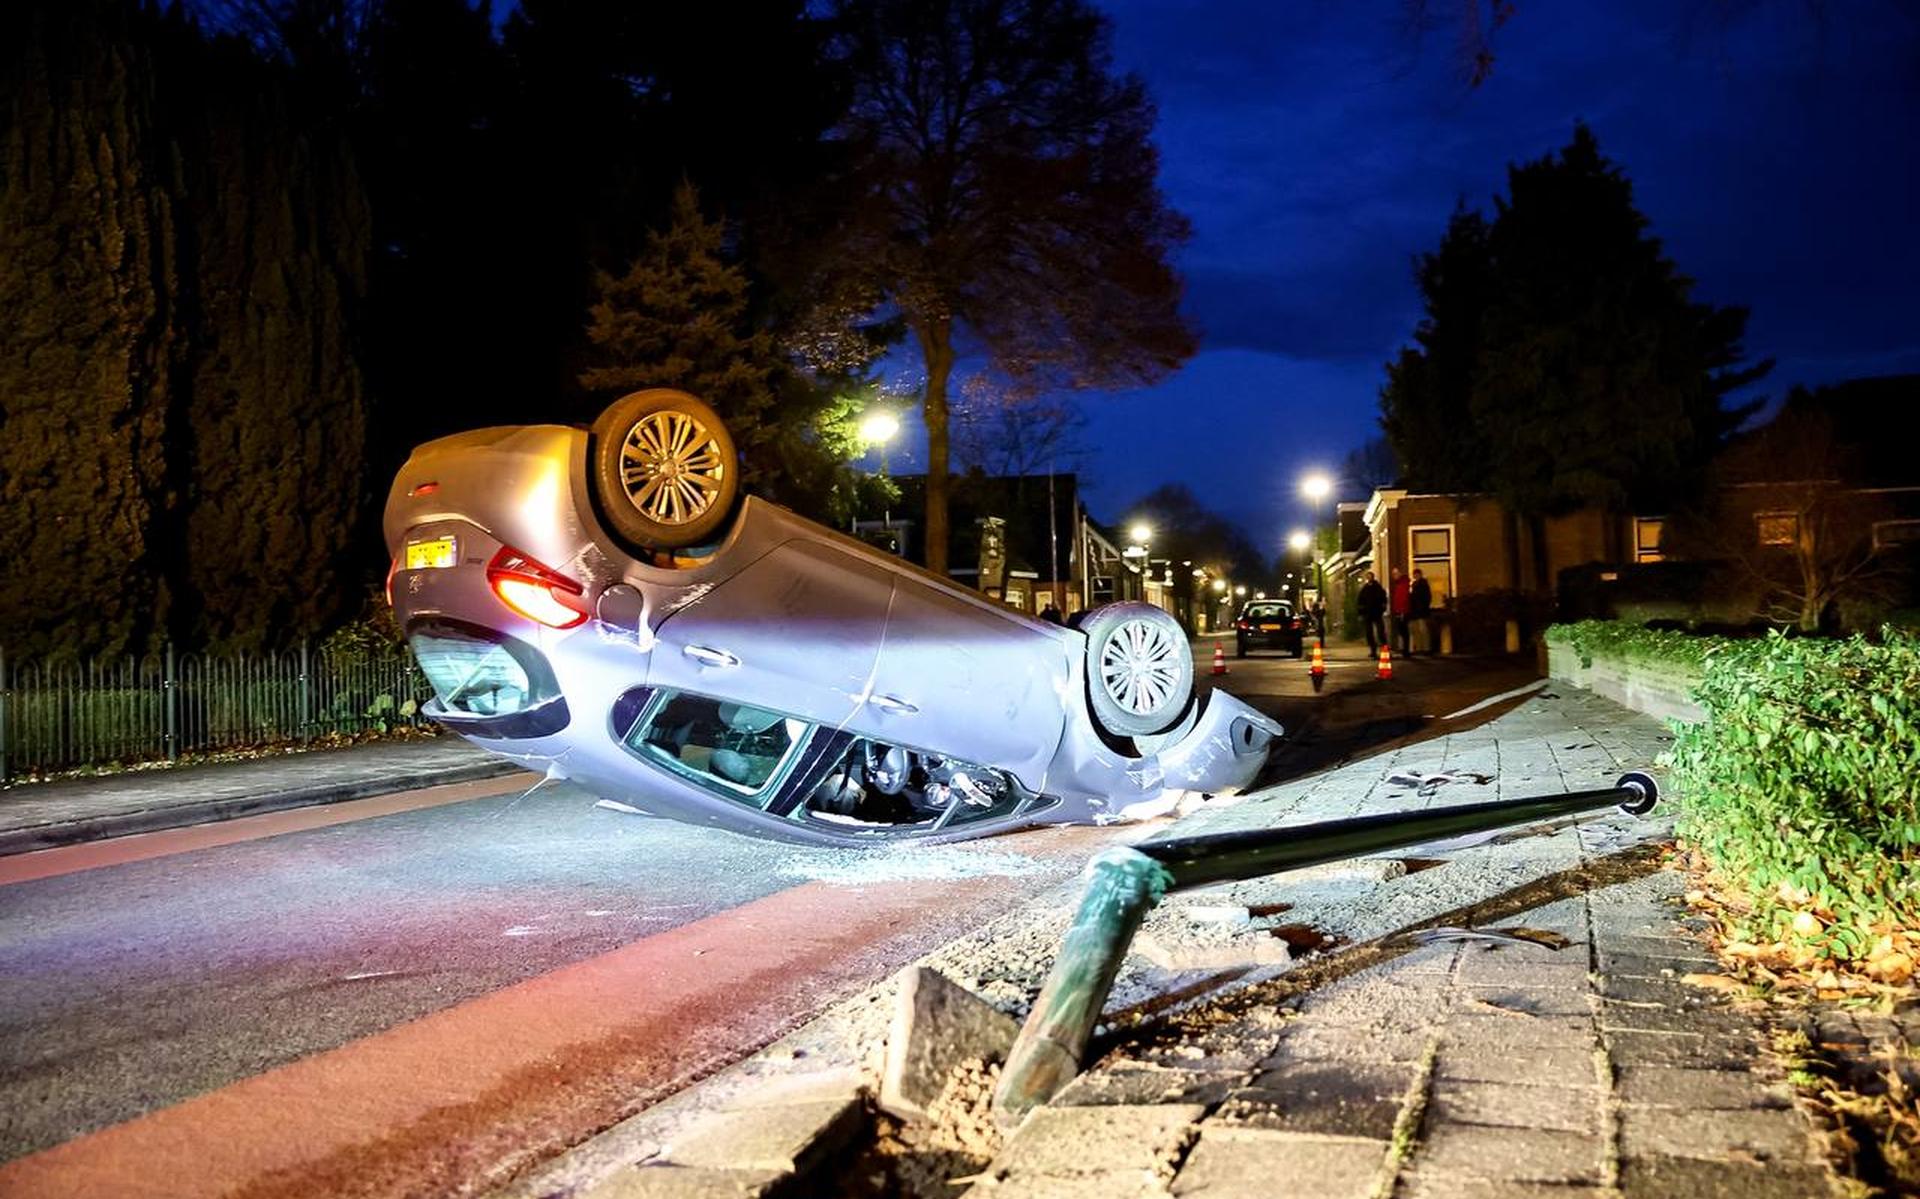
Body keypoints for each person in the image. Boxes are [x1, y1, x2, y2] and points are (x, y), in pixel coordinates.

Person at [1356, 571, 1387, 654]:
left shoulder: (1378, 587)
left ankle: (1384, 650)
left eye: (1370, 577)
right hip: (1368, 614)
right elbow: (1360, 601)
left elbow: (1383, 599)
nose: (1369, 578)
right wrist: (1361, 612)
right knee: (1369, 633)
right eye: (1368, 577)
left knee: (1381, 632)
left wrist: (1382, 609)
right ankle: (1373, 650)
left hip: (1377, 613)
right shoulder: (1365, 589)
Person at [1408, 568, 1432, 656]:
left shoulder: (1423, 584)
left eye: (1417, 574)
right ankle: (1419, 648)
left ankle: (1426, 648)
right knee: (1416, 630)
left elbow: (1427, 597)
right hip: (1415, 611)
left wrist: (1424, 606)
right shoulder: (1414, 584)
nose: (1415, 576)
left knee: (1423, 630)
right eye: (1415, 574)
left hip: (1421, 611)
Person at [1389, 567, 1411, 656]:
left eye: (1395, 574)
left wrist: (1402, 611)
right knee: (1402, 630)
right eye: (1393, 574)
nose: (1394, 576)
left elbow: (1403, 598)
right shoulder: (1399, 584)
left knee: (1403, 630)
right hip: (1399, 610)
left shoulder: (1403, 584)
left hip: (1402, 611)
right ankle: (1404, 649)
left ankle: (1405, 650)